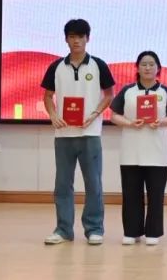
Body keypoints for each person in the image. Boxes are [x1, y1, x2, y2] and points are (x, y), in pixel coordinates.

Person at [41, 18, 116, 245]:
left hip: (90, 134)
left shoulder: (98, 65)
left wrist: (95, 113)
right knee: (62, 184)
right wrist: (53, 115)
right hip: (63, 135)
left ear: (87, 39)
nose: (76, 41)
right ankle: (63, 230)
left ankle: (94, 229)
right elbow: (47, 96)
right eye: (72, 36)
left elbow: (109, 94)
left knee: (93, 184)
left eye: (81, 37)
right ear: (66, 39)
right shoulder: (56, 67)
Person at [110, 50, 167, 245]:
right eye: (143, 64)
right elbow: (114, 115)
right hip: (131, 150)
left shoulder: (165, 92)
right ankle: (131, 231)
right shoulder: (128, 91)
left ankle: (153, 232)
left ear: (158, 68)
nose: (147, 68)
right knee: (131, 193)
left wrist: (161, 122)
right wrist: (129, 123)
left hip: (157, 151)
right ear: (137, 68)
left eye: (151, 64)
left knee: (156, 194)